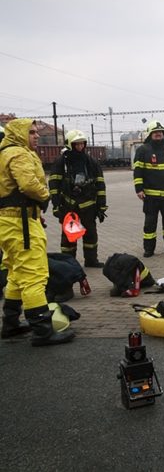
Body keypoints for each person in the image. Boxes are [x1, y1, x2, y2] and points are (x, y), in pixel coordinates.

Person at [0, 118, 74, 345]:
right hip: (20, 225)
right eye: (31, 132)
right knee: (34, 275)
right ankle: (42, 330)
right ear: (20, 134)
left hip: (12, 219)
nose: (36, 136)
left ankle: (11, 324)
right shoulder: (18, 153)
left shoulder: (6, 152)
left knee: (16, 273)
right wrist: (45, 196)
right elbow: (29, 184)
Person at [48, 129, 108, 268]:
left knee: (91, 235)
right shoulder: (61, 162)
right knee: (69, 236)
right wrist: (56, 205)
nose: (80, 147)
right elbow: (54, 185)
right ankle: (69, 262)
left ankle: (91, 260)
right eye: (77, 144)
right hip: (69, 206)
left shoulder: (90, 162)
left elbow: (100, 184)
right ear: (70, 145)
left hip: (89, 206)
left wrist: (102, 205)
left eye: (82, 144)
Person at [133, 120, 164, 257]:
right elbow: (138, 172)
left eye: (160, 132)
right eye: (155, 132)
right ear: (150, 134)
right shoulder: (143, 150)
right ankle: (149, 249)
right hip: (150, 196)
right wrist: (139, 189)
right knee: (150, 224)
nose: (158, 134)